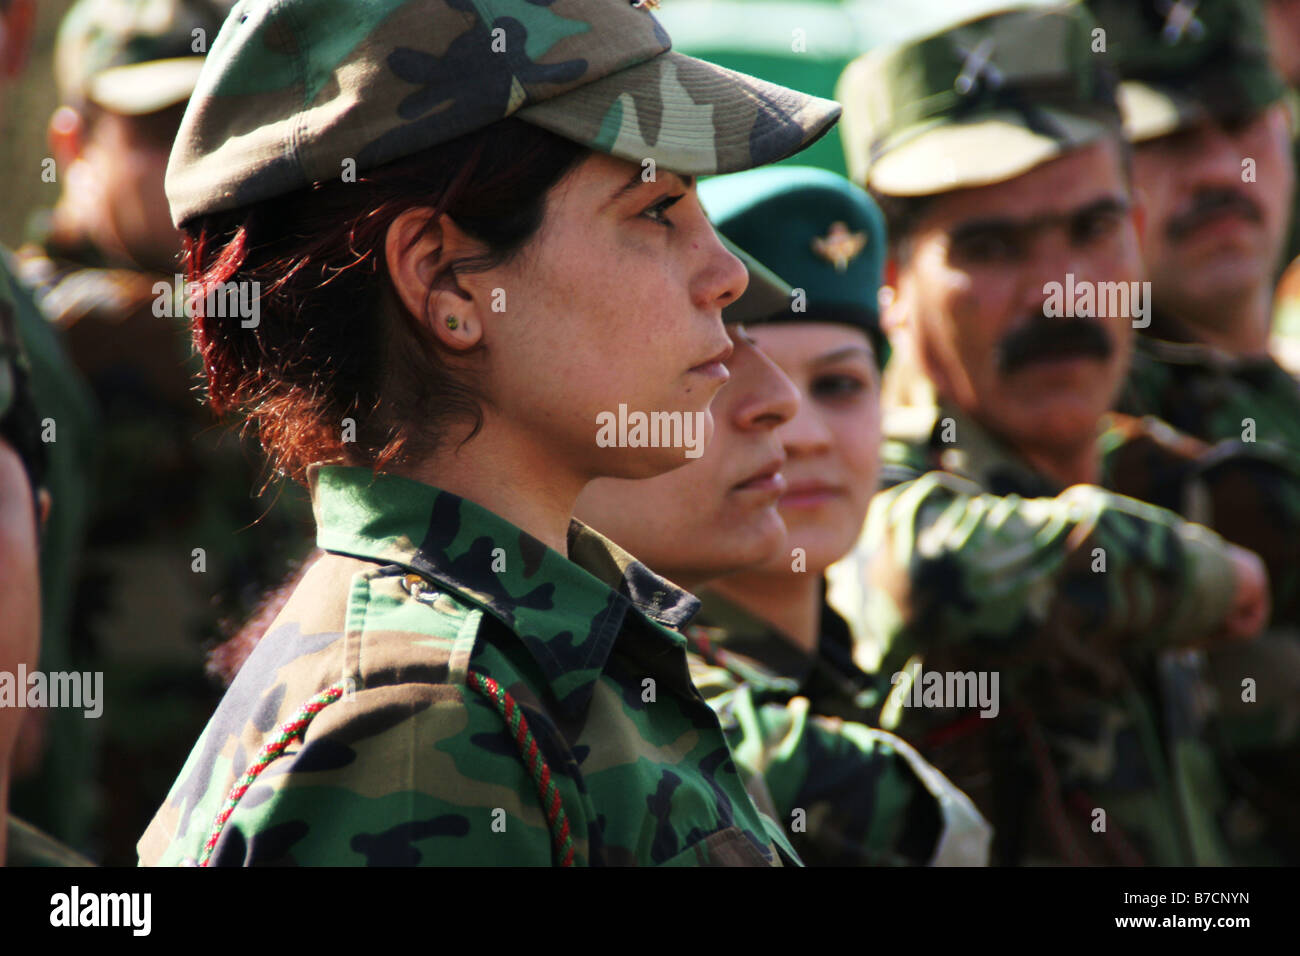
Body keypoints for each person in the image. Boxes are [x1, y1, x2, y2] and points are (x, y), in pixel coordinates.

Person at [139, 0, 840, 866]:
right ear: (448, 283)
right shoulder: (419, 721)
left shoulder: (533, 653)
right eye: (657, 208)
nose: (728, 273)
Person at [831, 1, 1272, 865]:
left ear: (1138, 233)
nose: (1060, 291)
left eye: (1091, 229)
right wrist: (1212, 575)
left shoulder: (1168, 463)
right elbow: (918, 565)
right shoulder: (842, 488)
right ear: (891, 277)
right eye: (992, 247)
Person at [575, 168, 991, 866]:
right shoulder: (616, 712)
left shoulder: (892, 673)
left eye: (840, 384)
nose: (794, 427)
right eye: (713, 373)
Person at [12, 0, 316, 863]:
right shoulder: (40, 325)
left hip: (249, 801)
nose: (193, 168)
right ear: (72, 143)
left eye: (215, 129)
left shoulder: (250, 315)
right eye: (155, 132)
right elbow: (119, 326)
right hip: (91, 822)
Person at [1087, 0, 1300, 863]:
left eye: (1242, 123)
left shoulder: (1278, 385)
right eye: (1168, 143)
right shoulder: (1076, 406)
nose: (1221, 169)